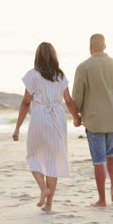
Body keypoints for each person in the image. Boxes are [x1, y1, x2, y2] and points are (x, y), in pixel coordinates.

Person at [13, 42, 81, 212]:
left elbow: (26, 102)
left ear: (37, 56)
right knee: (53, 161)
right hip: (57, 118)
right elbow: (69, 101)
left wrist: (17, 128)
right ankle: (49, 204)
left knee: (33, 156)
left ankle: (43, 189)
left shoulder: (32, 75)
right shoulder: (60, 76)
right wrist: (76, 118)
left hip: (39, 118)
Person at [72, 34, 113, 207]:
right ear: (105, 46)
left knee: (99, 160)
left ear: (90, 47)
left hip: (94, 120)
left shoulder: (84, 67)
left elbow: (77, 95)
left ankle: (102, 199)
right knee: (111, 154)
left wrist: (76, 116)